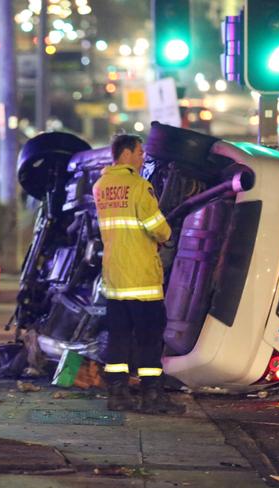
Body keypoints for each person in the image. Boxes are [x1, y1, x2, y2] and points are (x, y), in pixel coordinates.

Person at [92, 133, 185, 415]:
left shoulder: (101, 186)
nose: (143, 157)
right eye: (140, 152)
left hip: (115, 278)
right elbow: (158, 227)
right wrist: (167, 234)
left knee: (118, 337)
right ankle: (152, 394)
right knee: (149, 338)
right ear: (127, 153)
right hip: (142, 279)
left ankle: (118, 393)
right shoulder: (138, 187)